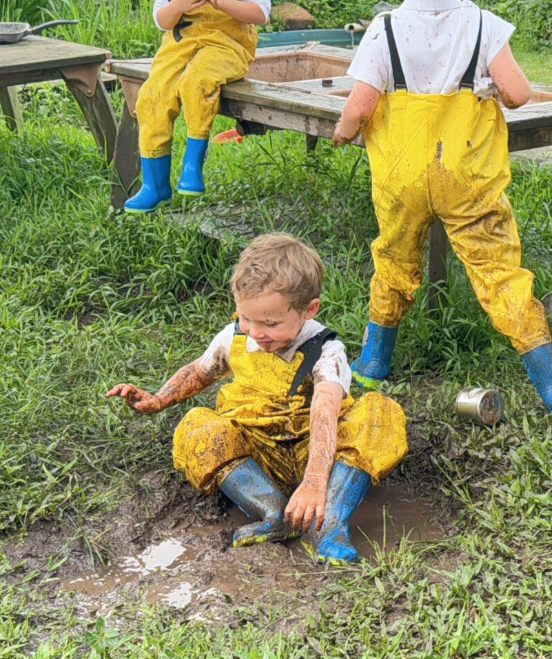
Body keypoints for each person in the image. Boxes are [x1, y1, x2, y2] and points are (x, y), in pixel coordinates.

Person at [332, 0, 552, 419]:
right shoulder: (484, 25)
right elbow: (517, 94)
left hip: (402, 177)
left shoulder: (382, 30)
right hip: (468, 175)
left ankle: (374, 362)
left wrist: (343, 130)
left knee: (394, 261)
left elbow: (360, 106)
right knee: (500, 274)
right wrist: (486, 87)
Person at [107, 233, 408, 563]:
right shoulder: (234, 337)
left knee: (380, 411)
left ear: (309, 310)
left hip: (320, 454)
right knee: (197, 426)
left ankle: (330, 521)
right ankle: (273, 512)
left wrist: (314, 482)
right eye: (246, 318)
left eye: (271, 323)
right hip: (255, 456)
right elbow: (198, 372)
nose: (257, 332)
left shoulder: (326, 351)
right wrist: (157, 400)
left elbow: (324, 410)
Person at [124, 0, 271, 213]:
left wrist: (220, 3)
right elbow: (162, 18)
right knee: (153, 94)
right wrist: (181, 5)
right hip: (181, 44)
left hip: (227, 46)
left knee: (197, 81)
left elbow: (260, 12)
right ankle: (155, 184)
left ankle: (192, 167)